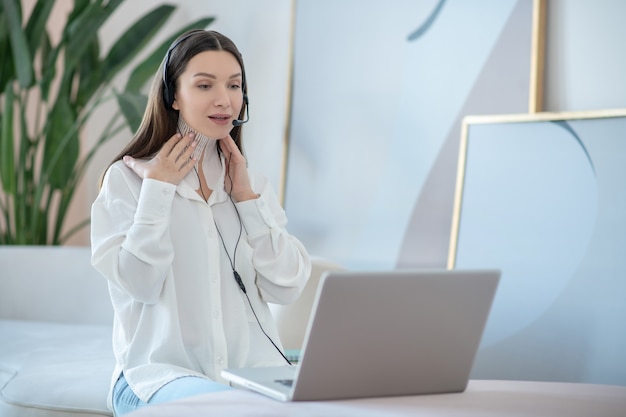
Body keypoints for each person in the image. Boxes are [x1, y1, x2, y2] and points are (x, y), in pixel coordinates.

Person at [90, 30, 311, 416]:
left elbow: (287, 286)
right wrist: (158, 190)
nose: (224, 99)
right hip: (158, 379)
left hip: (249, 378)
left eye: (234, 85)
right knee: (223, 408)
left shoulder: (250, 185)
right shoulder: (128, 181)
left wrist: (247, 202)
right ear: (173, 95)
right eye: (204, 85)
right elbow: (139, 283)